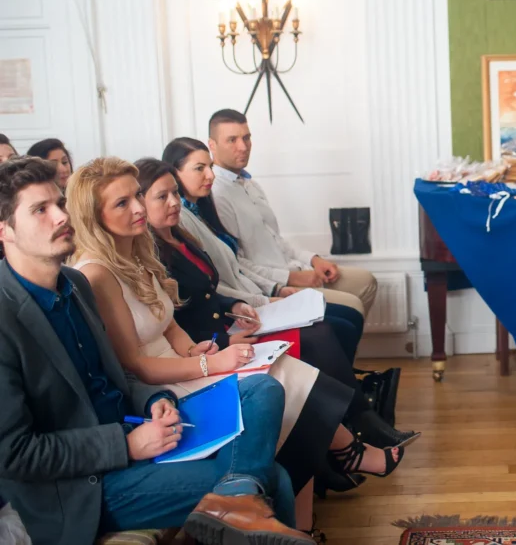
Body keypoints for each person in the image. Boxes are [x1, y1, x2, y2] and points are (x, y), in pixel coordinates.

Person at [0, 156, 311, 545]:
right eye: (40, 210)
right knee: (275, 480)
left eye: (60, 203)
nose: (61, 216)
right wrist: (126, 444)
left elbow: (114, 376)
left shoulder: (73, 284)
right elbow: (14, 454)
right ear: (4, 229)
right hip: (82, 486)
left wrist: (154, 400)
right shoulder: (10, 314)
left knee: (262, 389)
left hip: (137, 425)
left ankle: (236, 498)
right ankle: (237, 502)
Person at [65, 157, 406, 503]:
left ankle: (336, 467)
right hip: (158, 390)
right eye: (122, 203)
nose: (139, 208)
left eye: (138, 195)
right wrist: (210, 363)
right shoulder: (97, 273)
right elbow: (135, 366)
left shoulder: (135, 251)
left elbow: (168, 324)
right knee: (283, 382)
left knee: (288, 368)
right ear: (94, 216)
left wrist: (193, 349)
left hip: (179, 365)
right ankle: (345, 455)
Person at [138, 154, 418, 451]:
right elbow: (180, 318)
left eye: (175, 193)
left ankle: (356, 423)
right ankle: (357, 425)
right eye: (162, 197)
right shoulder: (151, 253)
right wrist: (226, 337)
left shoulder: (181, 236)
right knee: (320, 336)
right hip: (214, 342)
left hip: (231, 324)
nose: (174, 202)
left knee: (323, 328)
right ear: (141, 203)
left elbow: (211, 289)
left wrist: (233, 305)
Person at [207, 109, 376, 350]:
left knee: (366, 282)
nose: (243, 147)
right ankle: (338, 361)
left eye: (246, 137)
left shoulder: (250, 183)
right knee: (352, 308)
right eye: (232, 140)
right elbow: (237, 263)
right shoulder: (217, 194)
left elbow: (276, 239)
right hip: (273, 284)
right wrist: (289, 278)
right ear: (212, 145)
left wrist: (313, 259)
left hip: (295, 268)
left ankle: (341, 356)